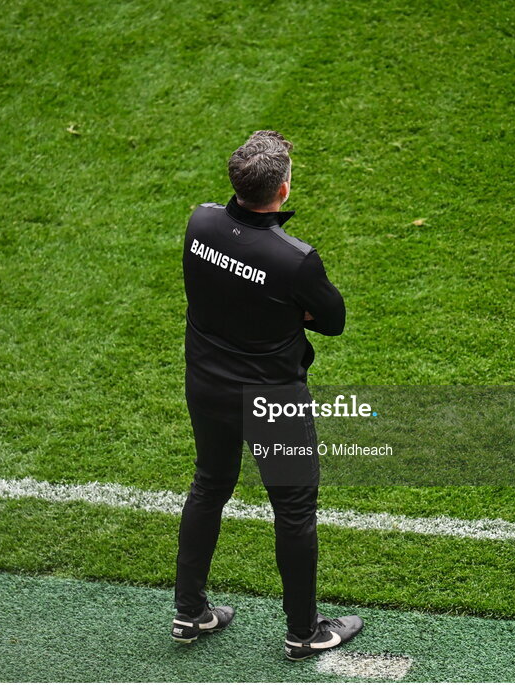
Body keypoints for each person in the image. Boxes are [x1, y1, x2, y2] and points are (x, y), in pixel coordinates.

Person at [172, 130, 363, 660]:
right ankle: (304, 632)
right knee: (294, 510)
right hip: (272, 397)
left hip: (206, 384)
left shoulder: (201, 221)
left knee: (209, 486)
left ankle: (189, 612)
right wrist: (288, 310)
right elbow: (334, 320)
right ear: (282, 191)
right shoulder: (294, 259)